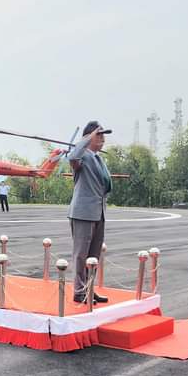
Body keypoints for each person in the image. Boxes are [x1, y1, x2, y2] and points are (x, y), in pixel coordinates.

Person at [68, 121, 113, 305]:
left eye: (103, 135)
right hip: (83, 213)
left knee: (93, 255)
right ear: (89, 137)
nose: (102, 138)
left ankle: (90, 289)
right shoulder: (82, 156)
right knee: (81, 254)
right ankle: (79, 291)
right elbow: (72, 157)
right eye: (99, 135)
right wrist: (87, 139)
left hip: (98, 212)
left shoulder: (98, 158)